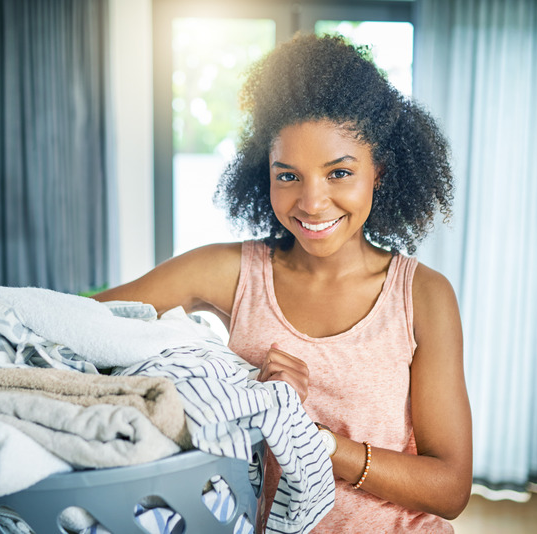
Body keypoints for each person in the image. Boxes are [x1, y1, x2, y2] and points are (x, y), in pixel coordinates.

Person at [94, 33, 472, 533]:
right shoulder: (232, 274)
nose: (312, 203)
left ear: (379, 170)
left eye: (339, 173)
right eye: (288, 175)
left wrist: (313, 440)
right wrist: (237, 390)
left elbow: (450, 489)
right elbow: (79, 326)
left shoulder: (421, 296)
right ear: (263, 172)